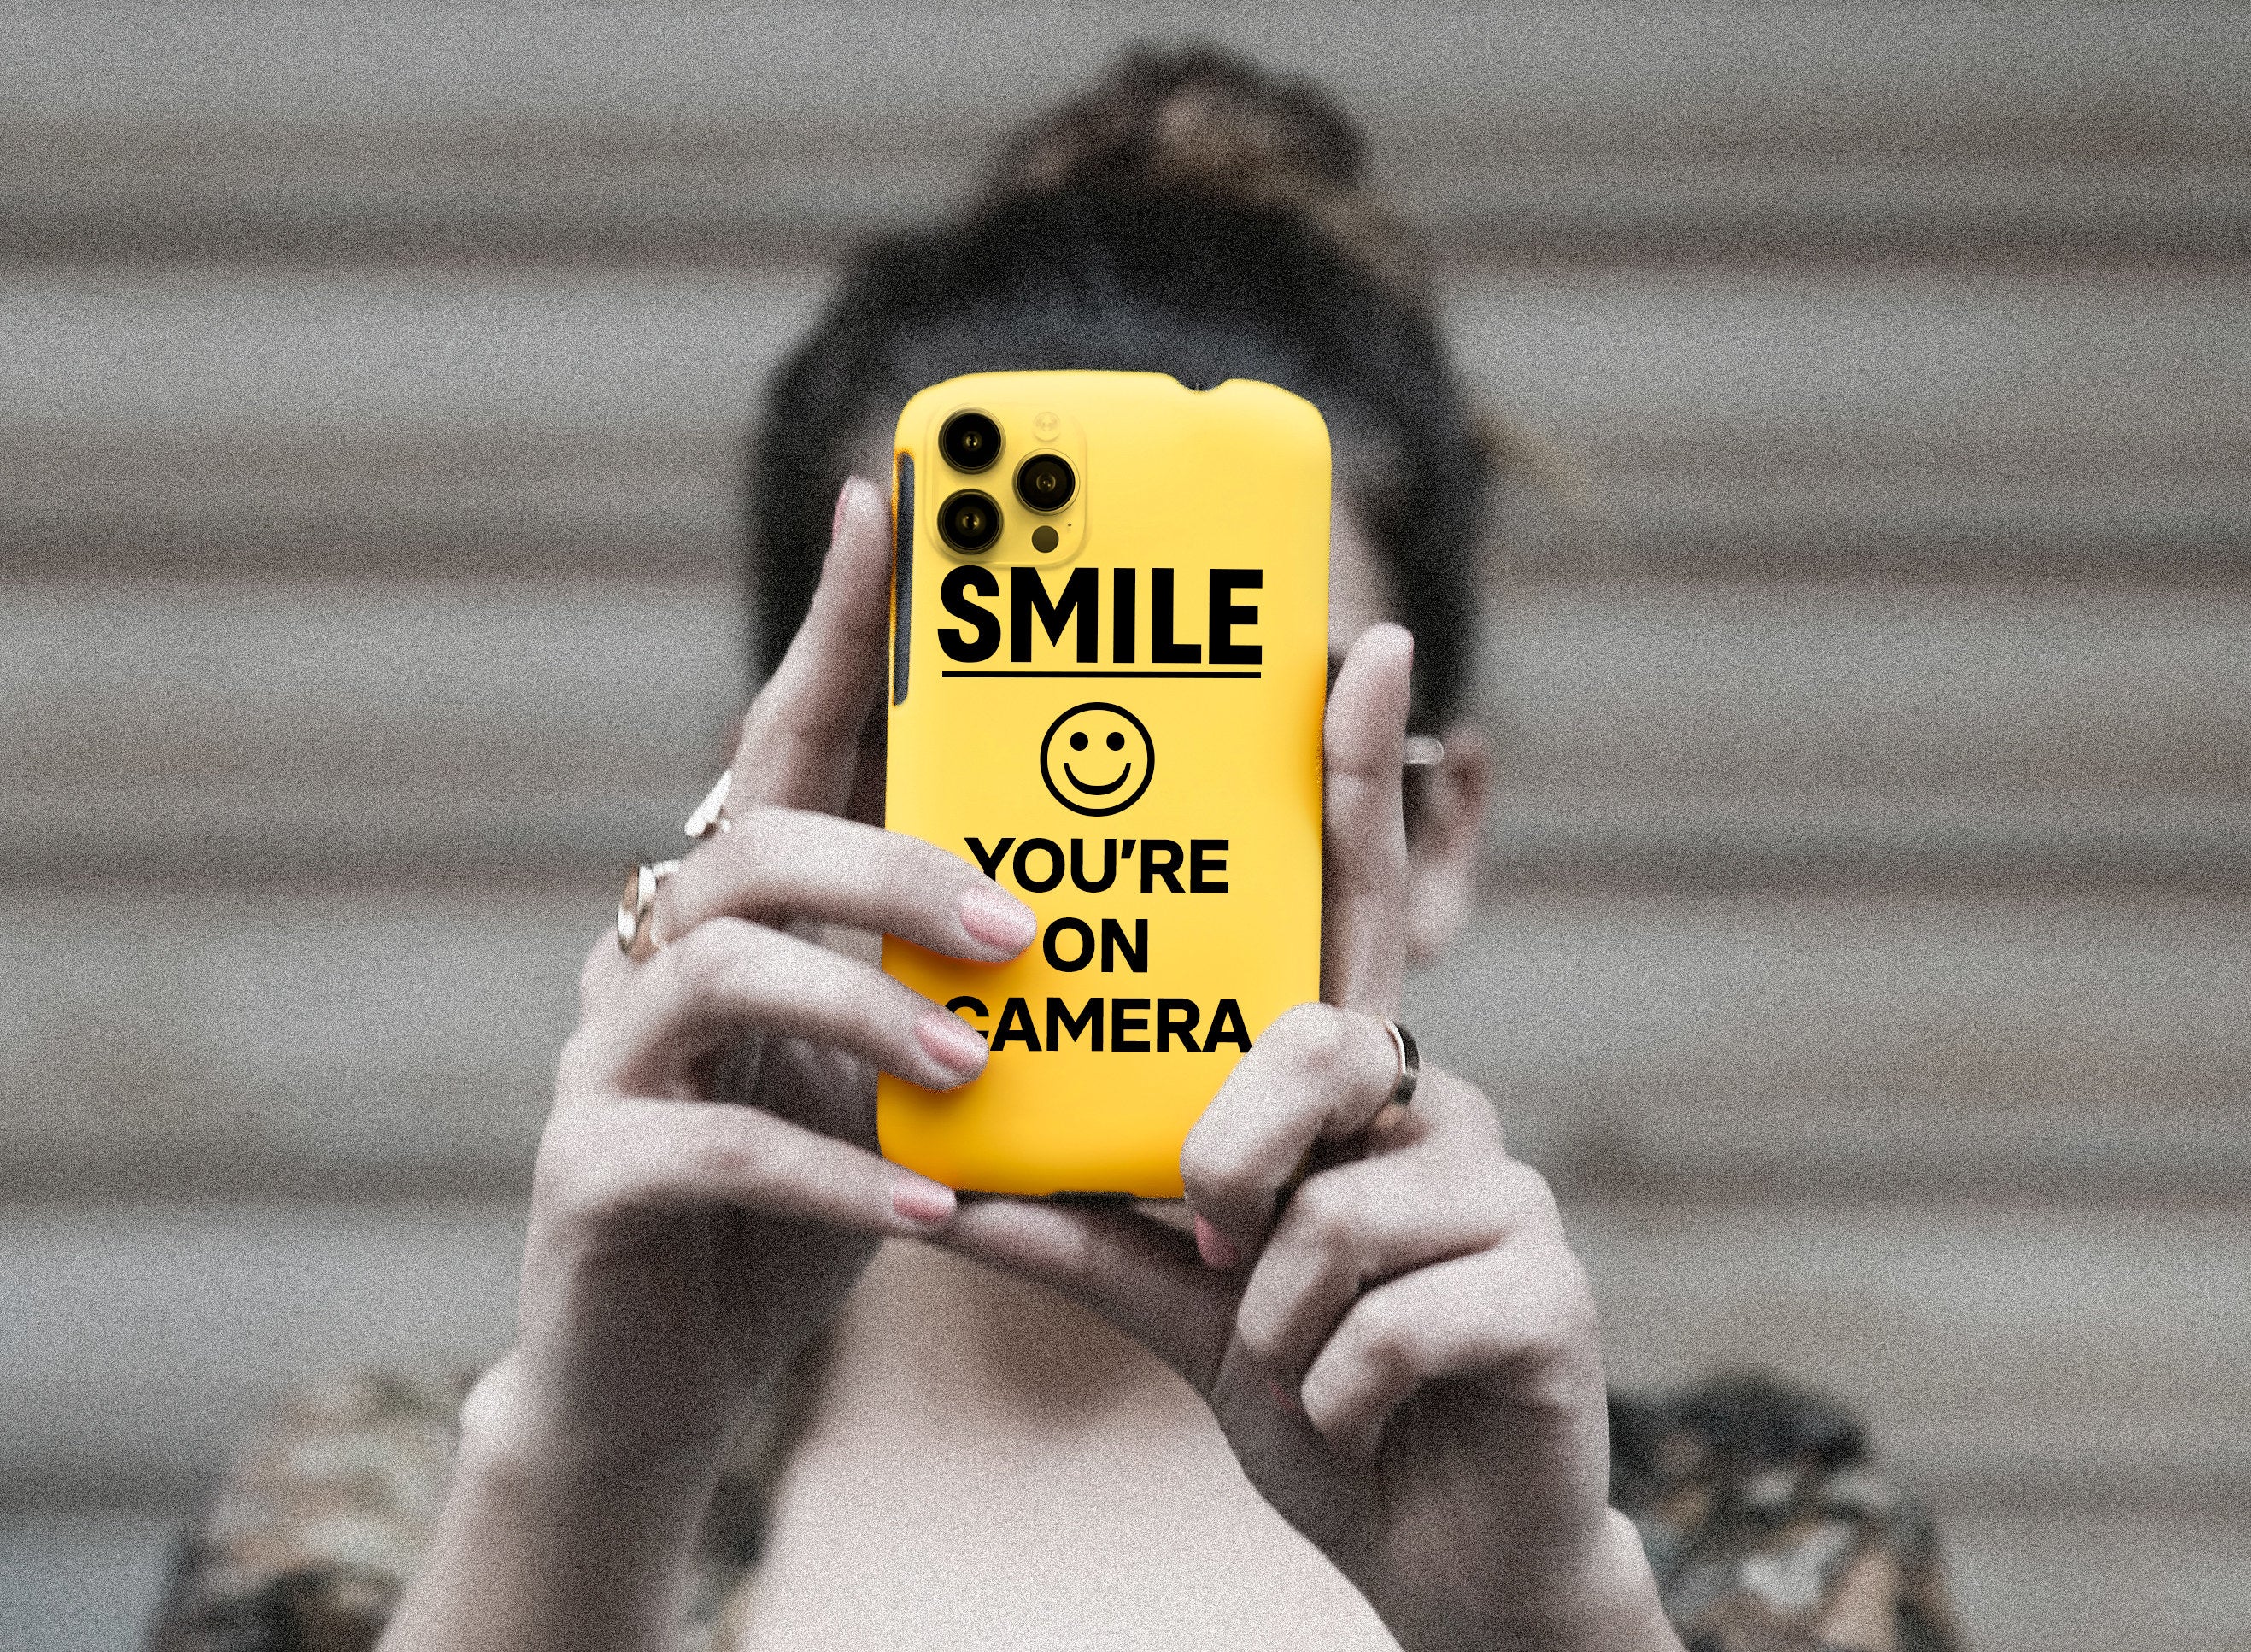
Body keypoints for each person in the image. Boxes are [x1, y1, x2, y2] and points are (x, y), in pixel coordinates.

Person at [149, 47, 1962, 1652]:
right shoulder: (390, 1525)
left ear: (1431, 821)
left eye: (1242, 731)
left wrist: (1537, 1630)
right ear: (780, 807)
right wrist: (597, 1470)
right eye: (979, 717)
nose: (1099, 817)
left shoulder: (1741, 1555)